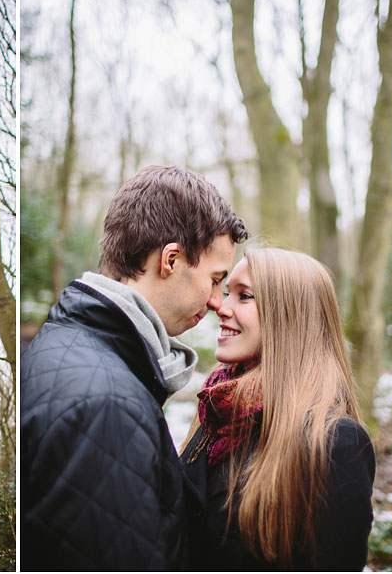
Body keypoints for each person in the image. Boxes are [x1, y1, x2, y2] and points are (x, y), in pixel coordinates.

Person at [21, 165, 248, 571]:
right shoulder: (105, 407)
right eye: (215, 279)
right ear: (171, 259)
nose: (218, 301)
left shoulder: (69, 342)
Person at [180, 246, 375, 571]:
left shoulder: (334, 444)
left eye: (244, 297)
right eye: (228, 293)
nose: (221, 307)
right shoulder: (217, 411)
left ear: (289, 316)